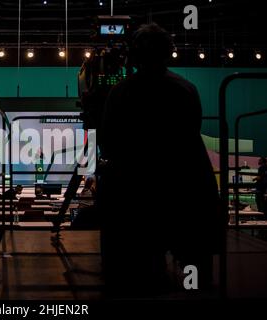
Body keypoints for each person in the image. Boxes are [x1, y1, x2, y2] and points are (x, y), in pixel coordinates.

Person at [100, 23, 225, 296]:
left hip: (136, 193)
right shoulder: (186, 88)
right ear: (168, 53)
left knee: (142, 273)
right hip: (185, 187)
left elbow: (109, 145)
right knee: (196, 272)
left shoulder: (121, 92)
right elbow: (191, 132)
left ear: (135, 56)